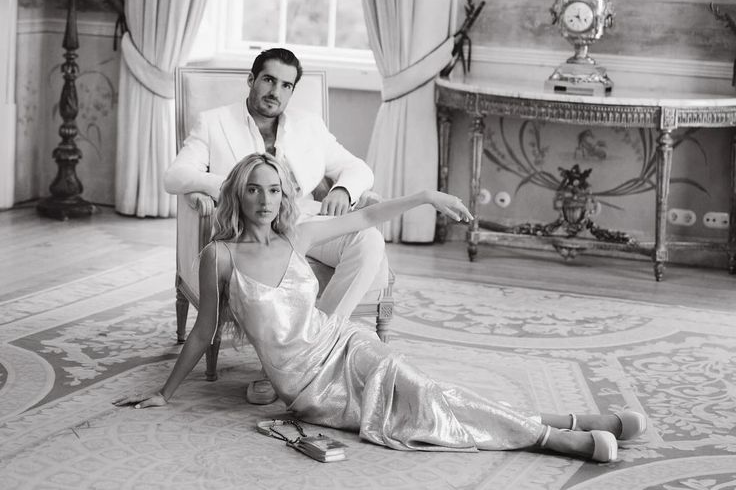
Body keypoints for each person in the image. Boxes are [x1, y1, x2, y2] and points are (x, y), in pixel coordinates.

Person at [116, 153, 647, 463]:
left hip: (343, 344)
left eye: (274, 190)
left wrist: (424, 197)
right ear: (238, 193)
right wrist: (165, 394)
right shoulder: (221, 256)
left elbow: (364, 222)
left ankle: (565, 431)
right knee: (423, 410)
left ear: (284, 196)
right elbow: (203, 330)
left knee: (425, 390)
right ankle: (563, 431)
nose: (264, 199)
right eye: (253, 189)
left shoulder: (296, 235)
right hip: (309, 390)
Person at [163, 47, 386, 404]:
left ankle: (311, 356)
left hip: (302, 222)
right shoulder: (214, 121)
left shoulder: (309, 125)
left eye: (286, 85)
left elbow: (359, 168)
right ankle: (291, 364)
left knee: (370, 240)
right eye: (268, 80)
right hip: (254, 231)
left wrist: (343, 189)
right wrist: (232, 185)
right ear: (251, 80)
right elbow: (175, 176)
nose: (275, 92)